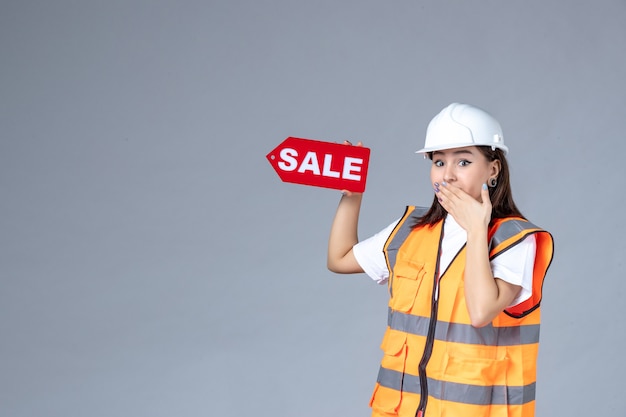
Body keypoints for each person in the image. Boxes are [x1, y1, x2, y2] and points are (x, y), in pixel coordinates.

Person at [327, 103, 554, 417]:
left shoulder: (514, 238)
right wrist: (352, 196)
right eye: (437, 161)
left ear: (493, 169)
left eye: (463, 161)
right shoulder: (411, 229)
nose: (447, 174)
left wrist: (477, 229)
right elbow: (339, 259)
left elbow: (481, 312)